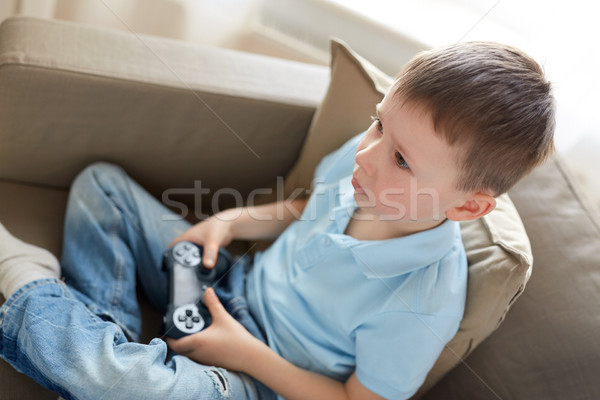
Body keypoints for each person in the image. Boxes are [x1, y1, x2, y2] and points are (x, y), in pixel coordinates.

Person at [0, 41, 554, 400]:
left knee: (126, 382)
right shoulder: (365, 163)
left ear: (466, 206)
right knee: (102, 186)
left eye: (403, 160)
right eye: (378, 124)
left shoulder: (425, 298)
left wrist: (242, 353)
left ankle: (25, 282)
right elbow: (303, 209)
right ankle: (103, 346)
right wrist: (232, 223)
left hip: (255, 376)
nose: (368, 154)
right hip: (226, 285)